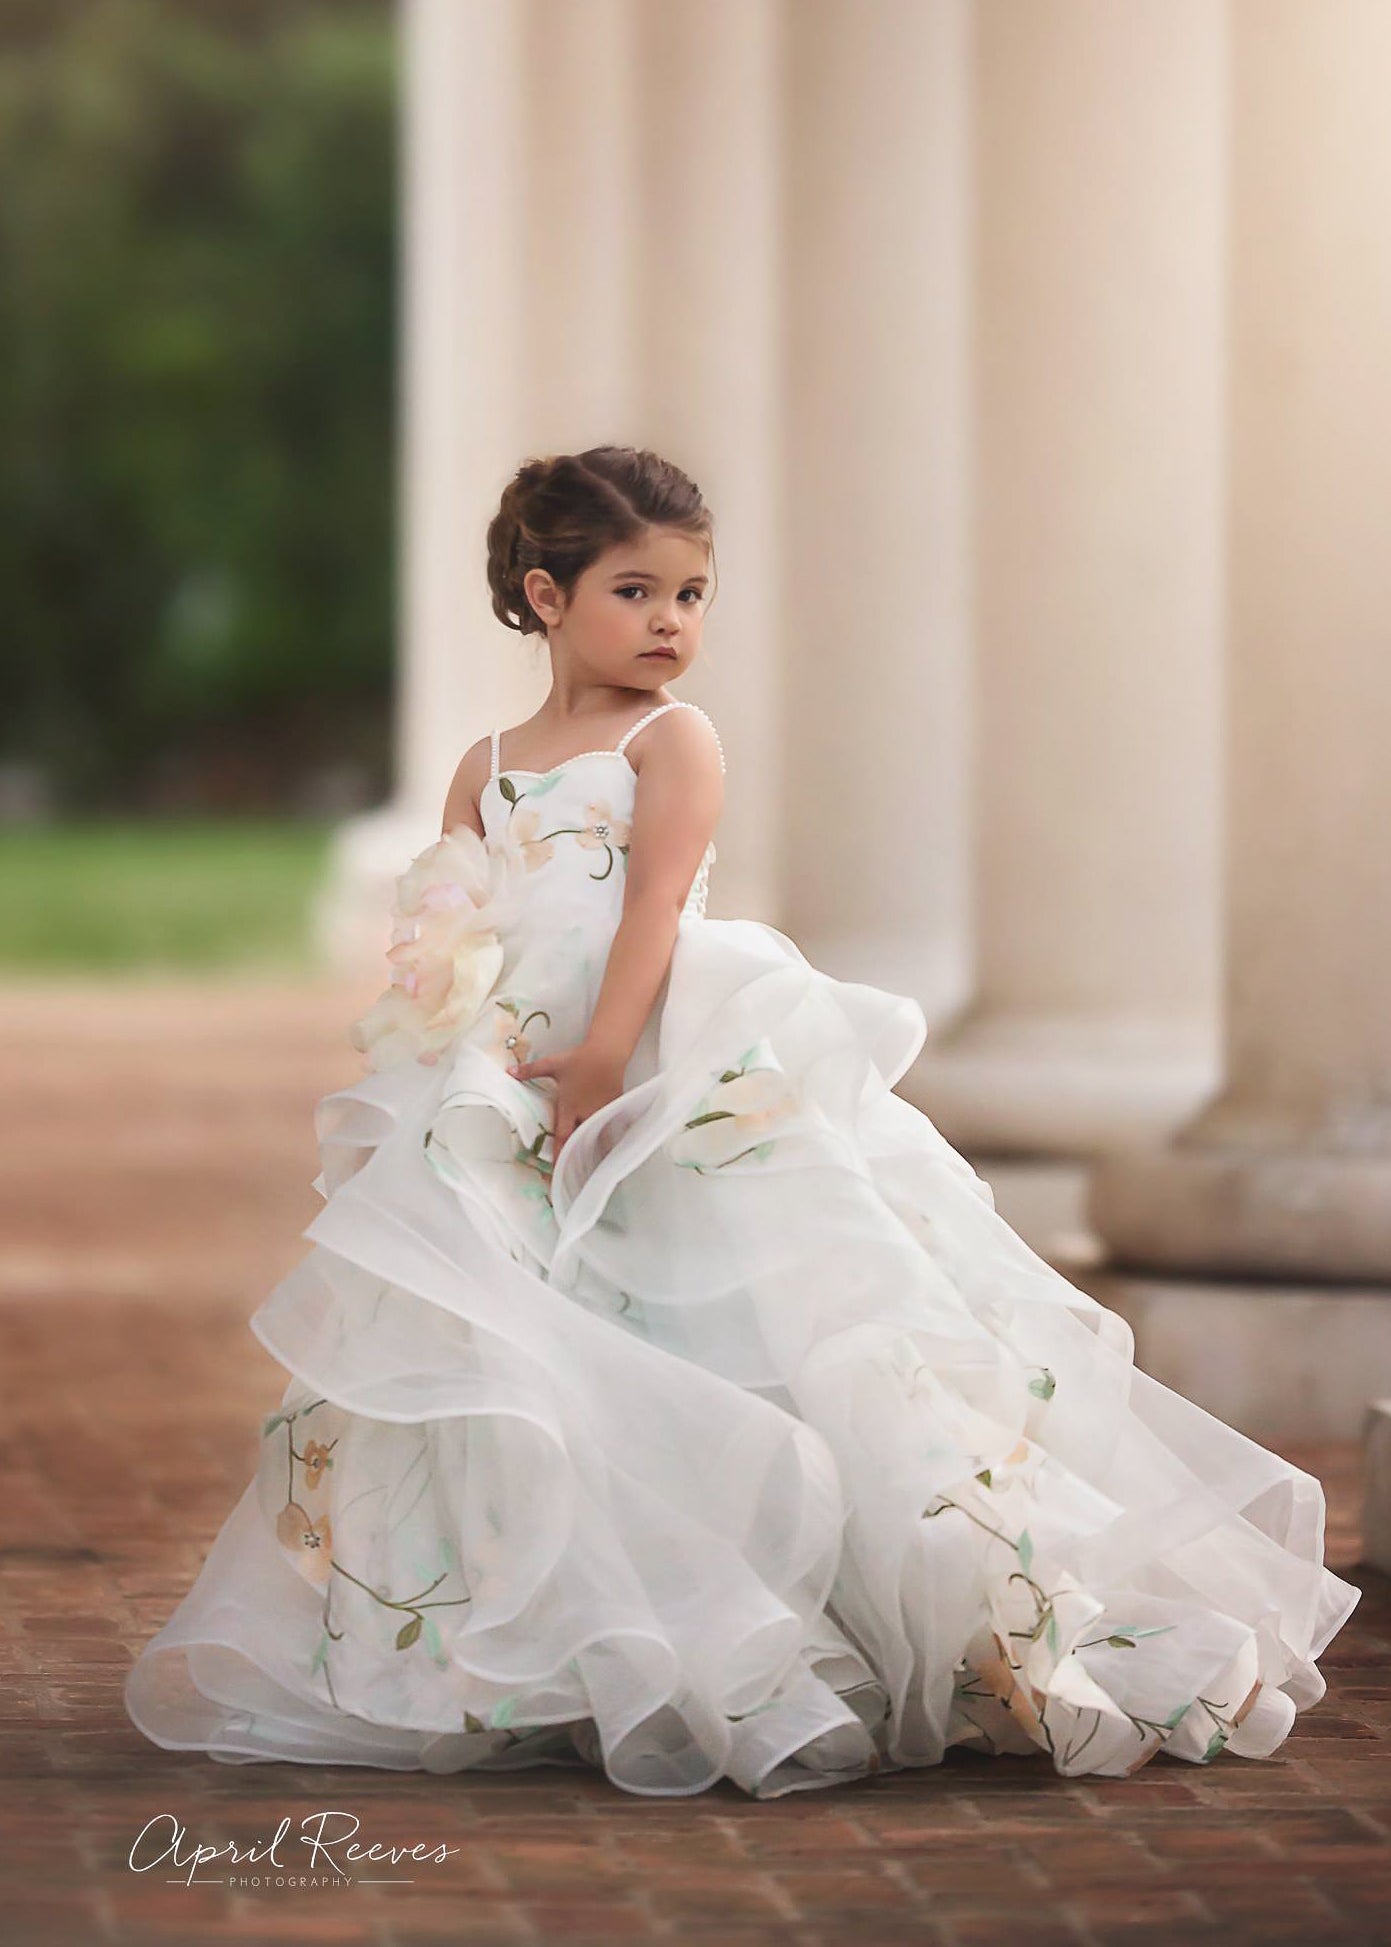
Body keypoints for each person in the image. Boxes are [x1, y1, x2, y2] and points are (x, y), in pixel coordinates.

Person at [124, 444, 1360, 1800]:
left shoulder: (673, 740)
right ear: (546, 595)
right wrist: (451, 1039)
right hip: (506, 1081)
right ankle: (555, 1641)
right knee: (537, 1344)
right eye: (637, 590)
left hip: (664, 1068)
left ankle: (862, 1618)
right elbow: (458, 913)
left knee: (739, 1329)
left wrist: (604, 1058)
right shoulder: (485, 764)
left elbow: (652, 908)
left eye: (695, 595)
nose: (673, 624)